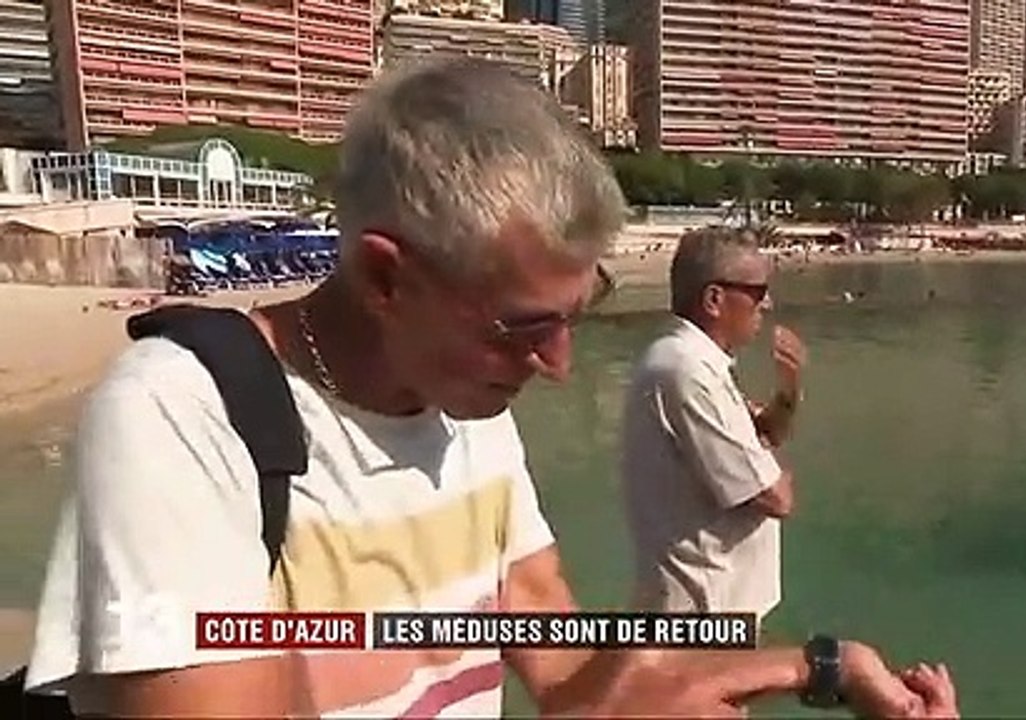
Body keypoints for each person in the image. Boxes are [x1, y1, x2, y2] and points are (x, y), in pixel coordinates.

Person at [21, 57, 956, 718]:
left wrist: (827, 667)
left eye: (572, 314)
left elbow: (574, 677)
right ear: (386, 278)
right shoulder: (182, 419)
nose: (555, 365)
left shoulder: (467, 409)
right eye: (523, 326)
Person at [619, 226, 803, 630]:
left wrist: (788, 391)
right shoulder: (688, 372)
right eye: (758, 291)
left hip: (712, 605)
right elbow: (774, 497)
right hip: (702, 611)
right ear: (715, 299)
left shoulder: (697, 363)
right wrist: (775, 470)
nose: (767, 303)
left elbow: (765, 433)